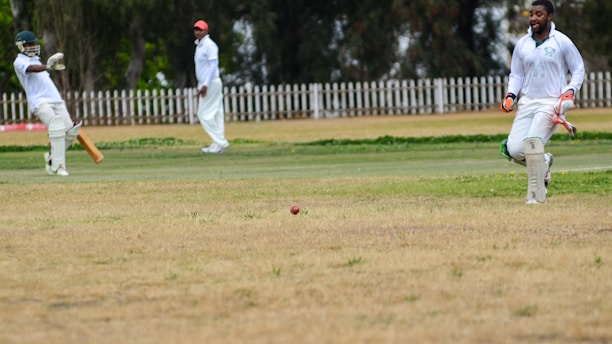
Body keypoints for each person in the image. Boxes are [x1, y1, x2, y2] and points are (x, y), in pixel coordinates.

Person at [499, 0, 584, 203]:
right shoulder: (523, 44)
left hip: (551, 103)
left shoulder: (561, 41)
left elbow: (578, 69)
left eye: (539, 14)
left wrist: (570, 91)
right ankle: (544, 162)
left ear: (550, 16)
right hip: (527, 102)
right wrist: (511, 94)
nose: (534, 18)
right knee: (514, 150)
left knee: (532, 144)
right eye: (531, 14)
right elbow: (517, 74)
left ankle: (536, 197)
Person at [13, 30, 82, 176]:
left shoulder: (37, 60)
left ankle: (51, 157)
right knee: (56, 128)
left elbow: (38, 68)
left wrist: (48, 66)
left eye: (34, 43)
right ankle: (59, 166)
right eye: (29, 44)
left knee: (71, 131)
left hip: (56, 99)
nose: (32, 46)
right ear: (20, 46)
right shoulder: (19, 62)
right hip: (40, 102)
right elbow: (31, 69)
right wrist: (47, 67)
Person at [193, 20, 230, 154]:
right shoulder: (200, 46)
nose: (198, 32)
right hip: (207, 83)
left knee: (203, 114)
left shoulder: (210, 45)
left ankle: (221, 141)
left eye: (200, 29)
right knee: (216, 113)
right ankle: (218, 145)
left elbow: (213, 66)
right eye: (196, 29)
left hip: (211, 82)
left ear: (206, 31)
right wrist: (200, 85)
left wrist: (205, 85)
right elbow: (201, 69)